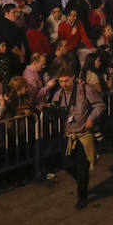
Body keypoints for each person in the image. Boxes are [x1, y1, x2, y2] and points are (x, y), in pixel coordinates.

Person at [40, 66, 104, 209]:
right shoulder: (59, 93)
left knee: (82, 166)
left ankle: (82, 196)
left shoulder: (85, 89)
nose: (63, 84)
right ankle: (82, 183)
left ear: (73, 78)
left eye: (66, 81)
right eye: (61, 81)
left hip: (83, 135)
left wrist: (91, 119)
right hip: (67, 135)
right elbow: (53, 108)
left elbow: (99, 105)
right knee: (67, 165)